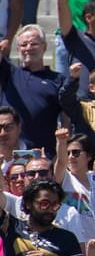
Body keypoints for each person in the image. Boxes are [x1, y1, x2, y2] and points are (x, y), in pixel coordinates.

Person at [0, 27, 66, 158]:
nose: (28, 48)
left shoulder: (58, 80)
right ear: (18, 49)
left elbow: (66, 118)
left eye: (34, 44)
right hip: (7, 155)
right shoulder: (8, 73)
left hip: (42, 156)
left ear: (45, 47)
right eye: (23, 45)